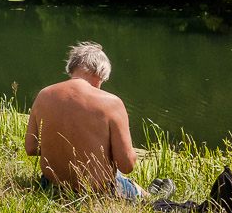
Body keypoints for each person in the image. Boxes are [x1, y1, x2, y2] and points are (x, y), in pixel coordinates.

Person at [24, 42, 158, 199]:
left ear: (71, 68)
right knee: (124, 179)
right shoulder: (111, 103)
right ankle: (149, 196)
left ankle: (148, 192)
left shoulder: (44, 95)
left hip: (52, 186)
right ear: (101, 72)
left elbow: (31, 148)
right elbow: (127, 164)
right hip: (97, 193)